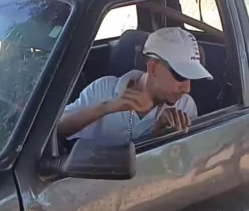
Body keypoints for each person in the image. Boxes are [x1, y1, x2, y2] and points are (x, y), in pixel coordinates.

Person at [57, 27, 213, 144]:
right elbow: (56, 129)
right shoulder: (104, 89)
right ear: (153, 68)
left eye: (191, 78)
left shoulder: (185, 107)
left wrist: (159, 134)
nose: (187, 88)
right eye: (180, 76)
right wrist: (106, 108)